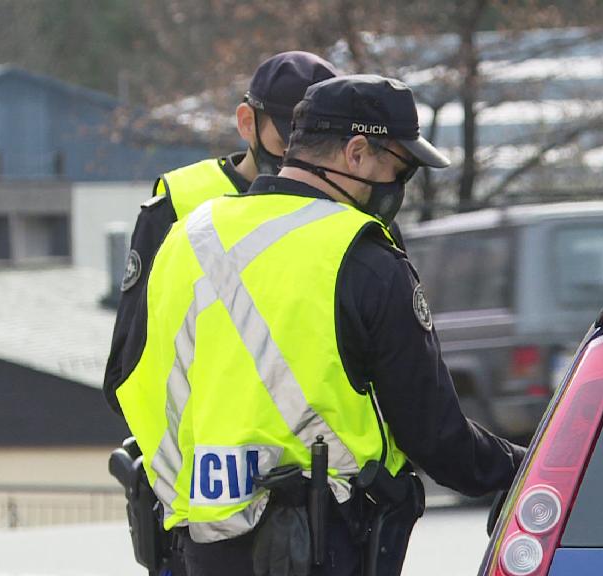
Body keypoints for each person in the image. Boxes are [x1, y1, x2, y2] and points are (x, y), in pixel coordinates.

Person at [113, 74, 526, 576]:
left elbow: (132, 385)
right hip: (325, 541)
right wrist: (525, 465)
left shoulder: (185, 239)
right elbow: (435, 436)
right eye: (398, 167)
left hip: (200, 543)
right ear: (355, 152)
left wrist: (197, 489)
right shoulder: (363, 256)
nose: (399, 187)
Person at [103, 51, 338, 408]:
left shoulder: (348, 207)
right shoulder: (180, 203)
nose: (301, 156)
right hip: (205, 452)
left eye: (320, 144)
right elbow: (127, 374)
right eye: (289, 139)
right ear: (247, 122)